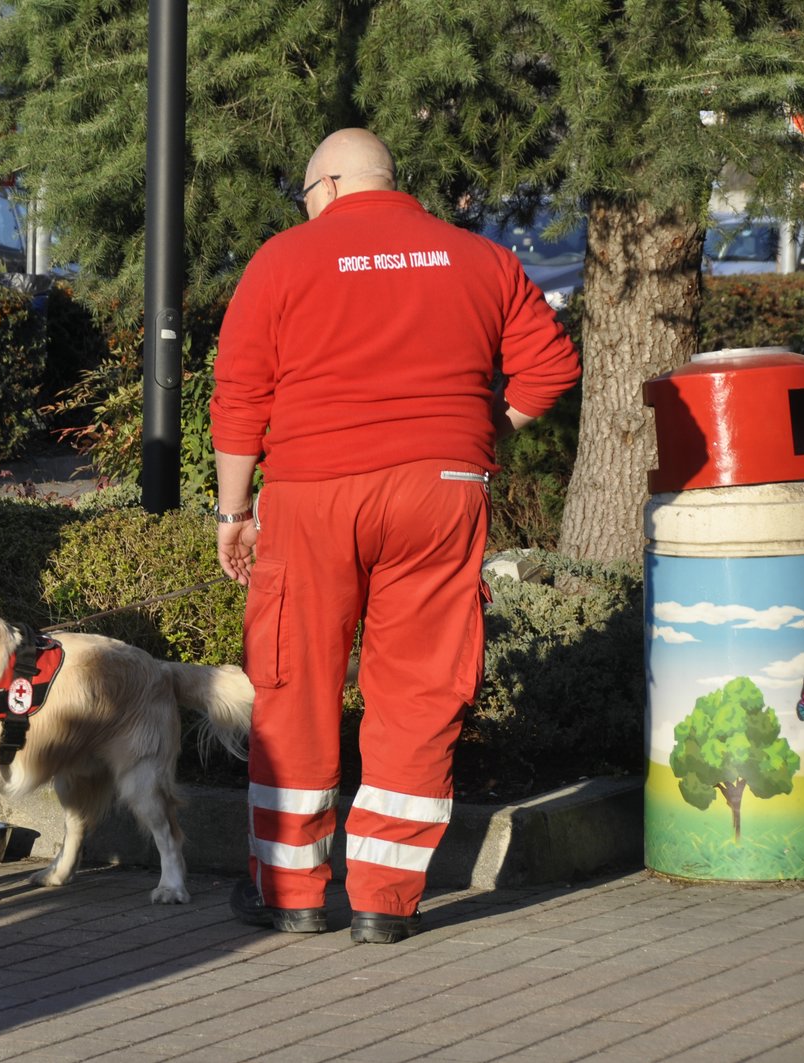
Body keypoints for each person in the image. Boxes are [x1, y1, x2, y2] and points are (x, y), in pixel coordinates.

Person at [210, 129, 581, 944]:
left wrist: (234, 512)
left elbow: (239, 394)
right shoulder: (479, 260)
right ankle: (385, 897)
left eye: (308, 195)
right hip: (443, 492)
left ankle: (292, 891)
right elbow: (551, 370)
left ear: (331, 184)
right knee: (419, 687)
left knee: (294, 679)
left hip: (314, 493)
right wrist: (472, 433)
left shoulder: (286, 259)